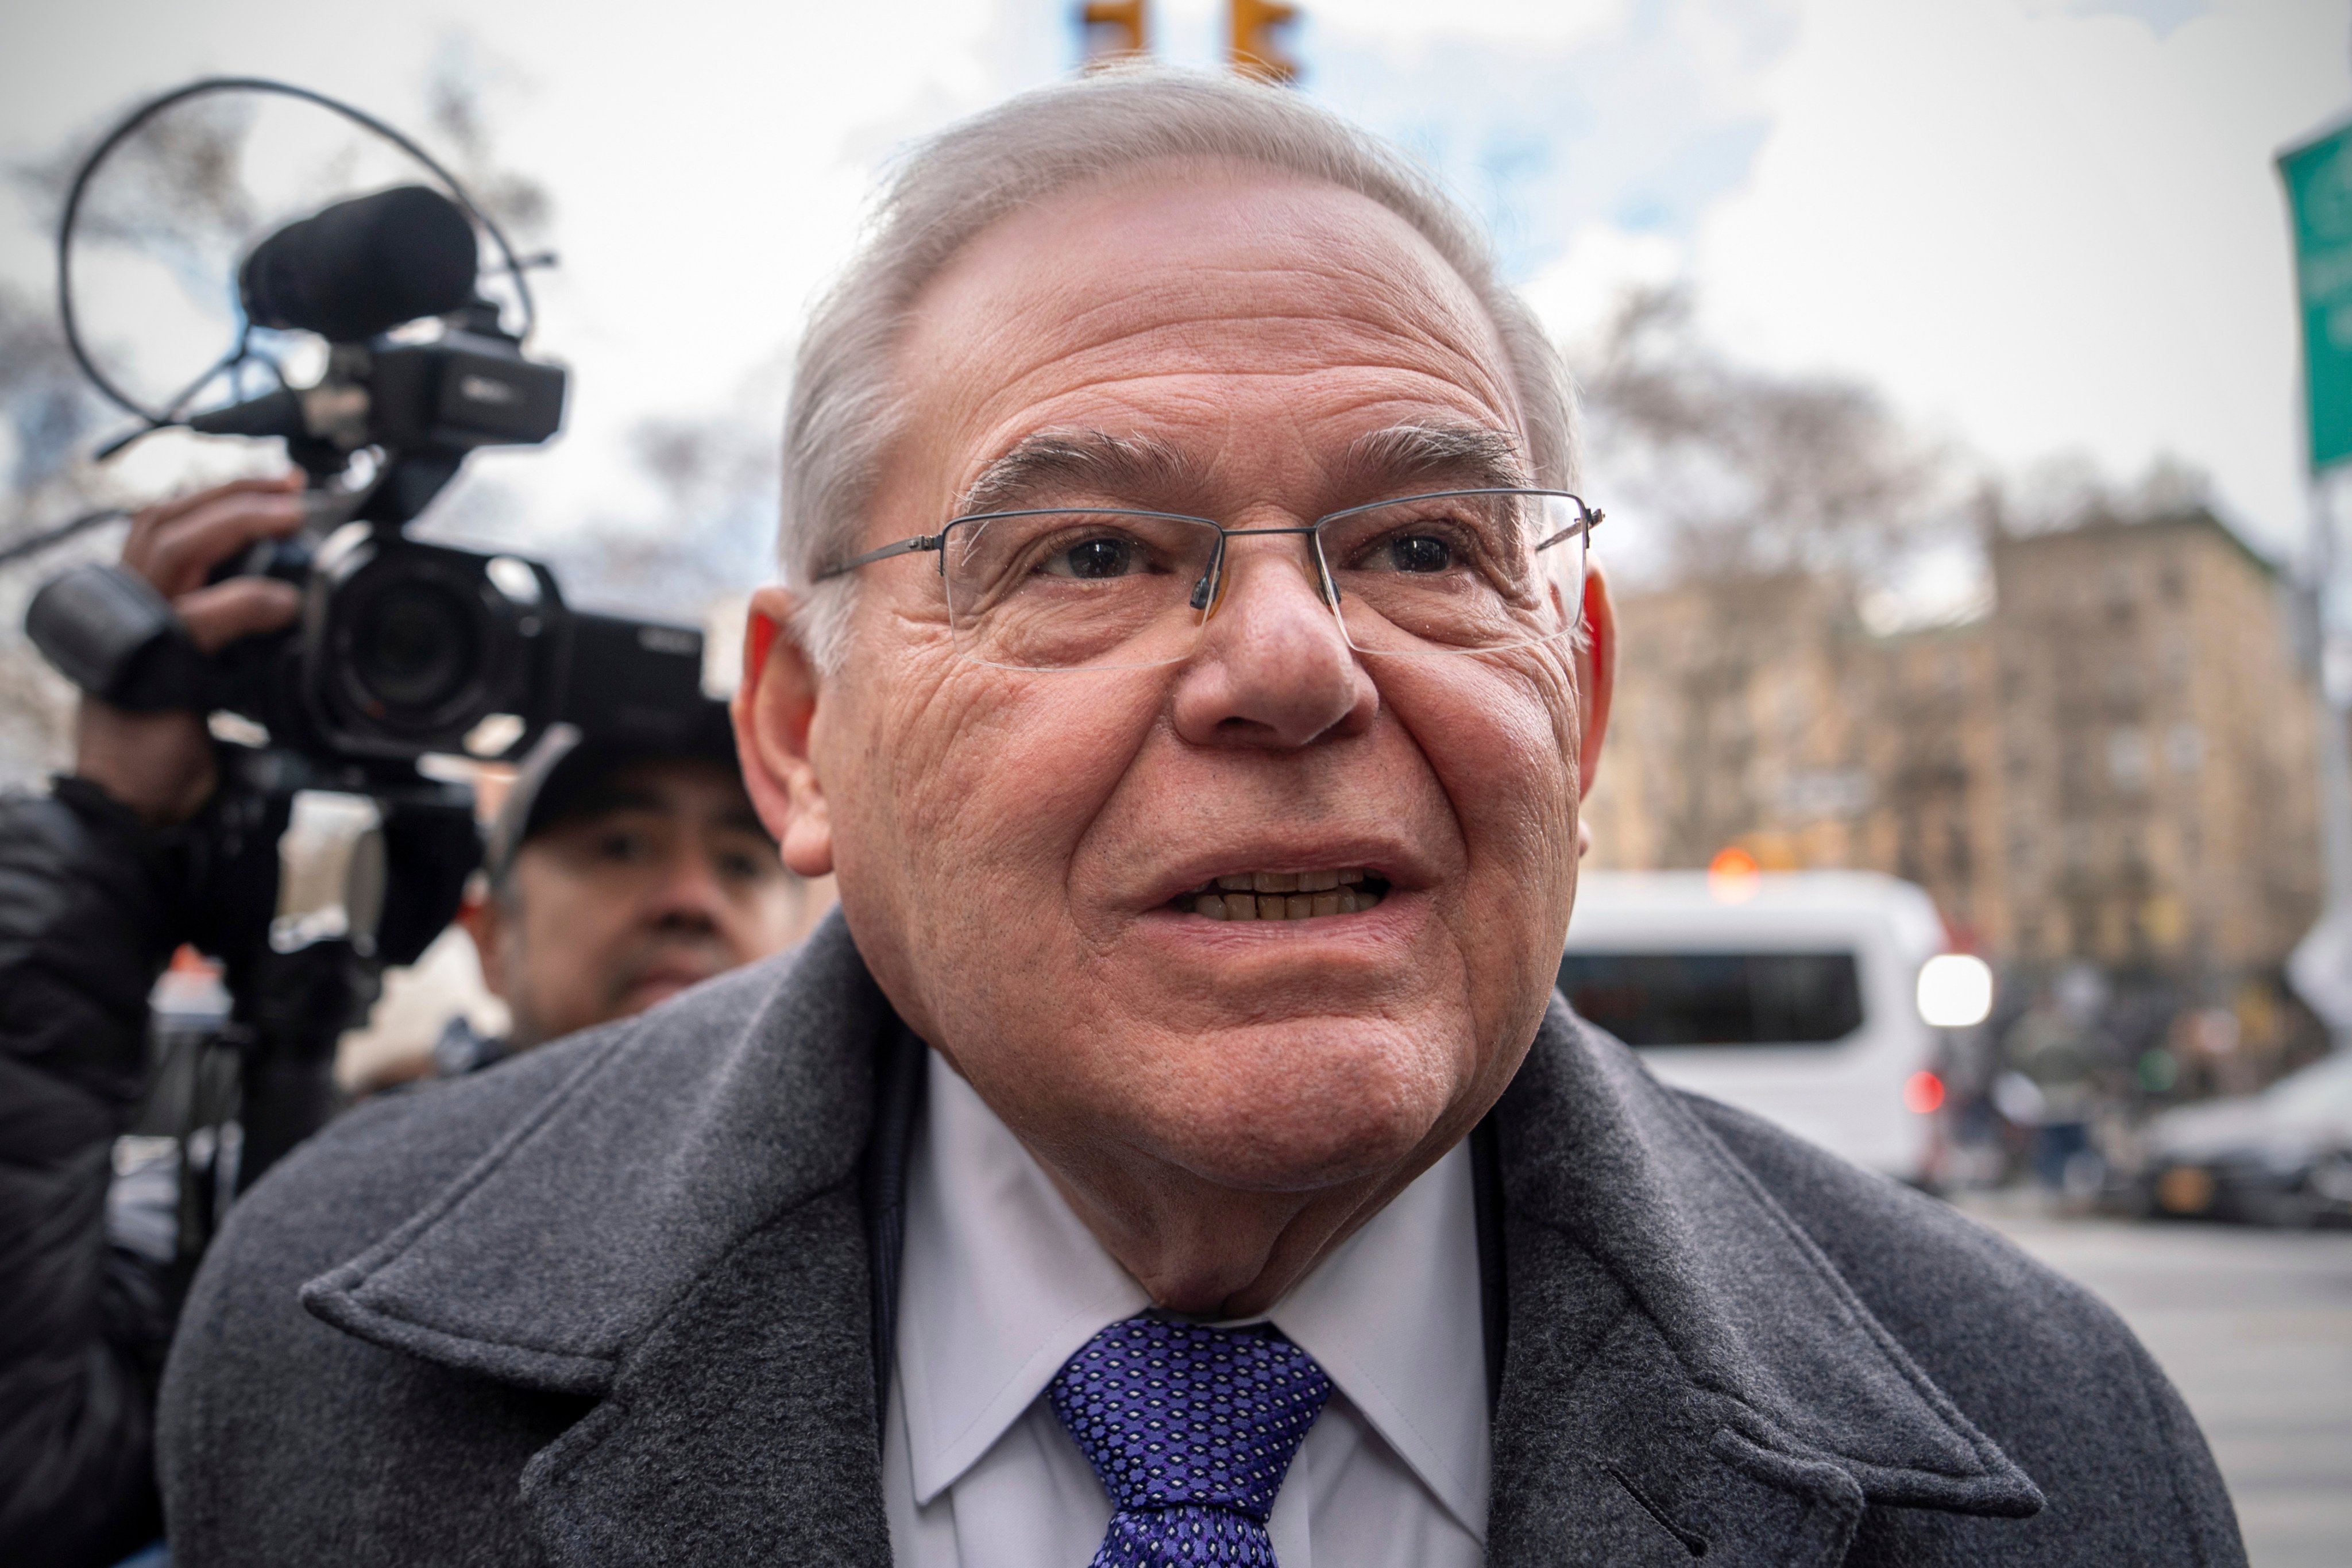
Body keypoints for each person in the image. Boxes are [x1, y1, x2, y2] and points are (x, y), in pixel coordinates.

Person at [156, 69, 2244, 1567]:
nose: (1289, 663)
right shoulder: (322, 1350)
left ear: (1576, 688)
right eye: (1080, 554)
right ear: (797, 739)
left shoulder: (2055, 1452)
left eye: (1425, 541)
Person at [0, 482, 799, 1568]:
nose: (687, 897)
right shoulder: (287, 1214)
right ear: (487, 931)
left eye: (744, 860)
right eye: (620, 845)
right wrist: (109, 840)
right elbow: (30, 1468)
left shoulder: (884, 1220)